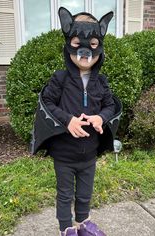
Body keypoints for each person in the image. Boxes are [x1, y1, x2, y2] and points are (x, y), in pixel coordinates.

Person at [30, 6, 122, 236]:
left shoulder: (101, 82)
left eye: (92, 44)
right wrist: (67, 121)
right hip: (64, 153)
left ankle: (83, 223)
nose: (84, 51)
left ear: (99, 46)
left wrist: (101, 117)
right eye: (77, 43)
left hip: (89, 153)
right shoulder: (59, 79)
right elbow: (47, 104)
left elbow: (111, 105)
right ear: (68, 42)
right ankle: (67, 229)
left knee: (84, 193)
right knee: (64, 195)